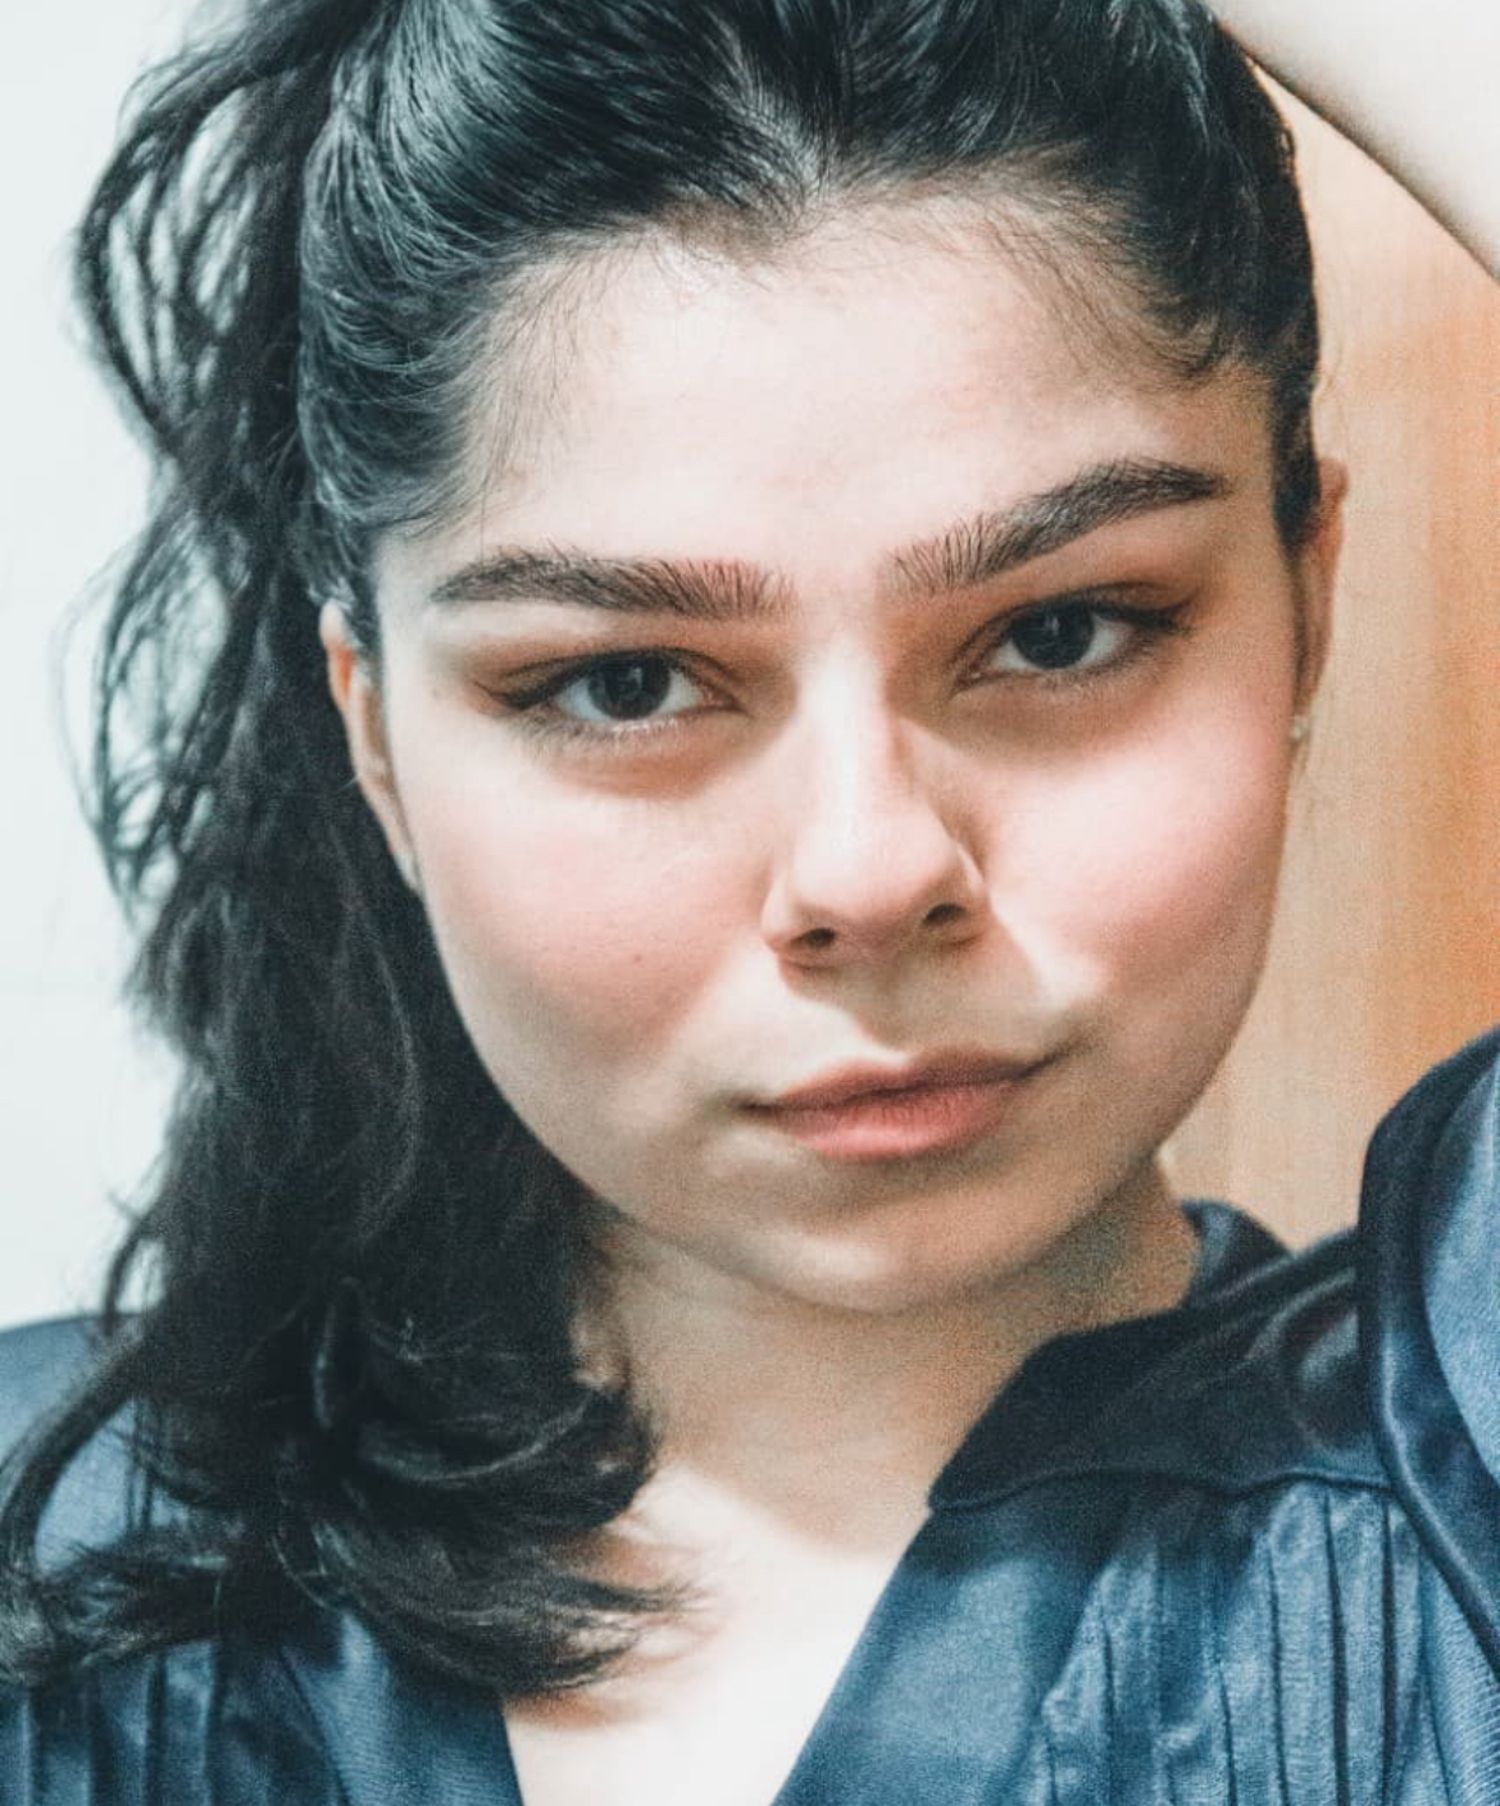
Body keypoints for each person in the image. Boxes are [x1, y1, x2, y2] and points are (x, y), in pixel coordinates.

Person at [0, 0, 1495, 1800]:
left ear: (1305, 606)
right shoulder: (41, 1553)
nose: (870, 871)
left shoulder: (1455, 1516)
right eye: (625, 682)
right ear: (376, 732)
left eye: (1058, 632)